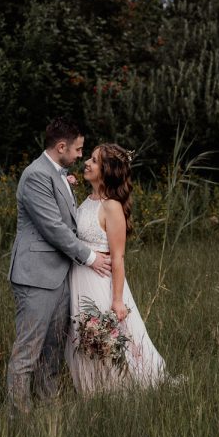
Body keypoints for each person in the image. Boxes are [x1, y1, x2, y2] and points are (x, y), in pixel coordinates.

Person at [6, 117, 112, 415]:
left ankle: (48, 405)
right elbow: (54, 228)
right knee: (28, 350)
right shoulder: (36, 176)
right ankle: (19, 416)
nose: (81, 155)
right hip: (36, 277)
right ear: (61, 146)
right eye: (78, 149)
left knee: (52, 350)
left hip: (60, 275)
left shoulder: (59, 174)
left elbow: (69, 219)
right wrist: (91, 258)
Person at [66, 143, 168, 395]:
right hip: (79, 277)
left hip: (99, 282)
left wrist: (118, 300)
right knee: (83, 337)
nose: (87, 163)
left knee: (100, 338)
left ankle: (112, 392)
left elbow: (119, 257)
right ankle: (89, 391)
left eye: (94, 161)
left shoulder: (111, 206)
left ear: (107, 171)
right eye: (88, 158)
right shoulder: (88, 200)